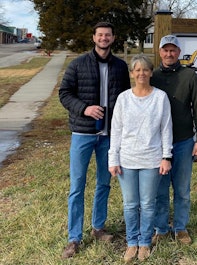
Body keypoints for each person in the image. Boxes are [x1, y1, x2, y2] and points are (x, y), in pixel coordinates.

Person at [59, 21, 131, 259]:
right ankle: (74, 238)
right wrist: (84, 109)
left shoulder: (120, 67)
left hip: (109, 135)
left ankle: (98, 227)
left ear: (113, 38)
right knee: (77, 186)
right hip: (82, 133)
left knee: (104, 183)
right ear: (94, 38)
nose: (104, 38)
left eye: (108, 35)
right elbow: (65, 94)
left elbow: (126, 99)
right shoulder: (78, 64)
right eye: (100, 35)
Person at [108, 54, 173, 262]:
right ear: (132, 74)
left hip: (152, 159)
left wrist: (166, 156)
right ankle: (131, 242)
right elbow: (116, 130)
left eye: (145, 69)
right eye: (137, 70)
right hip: (126, 159)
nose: (141, 73)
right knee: (129, 204)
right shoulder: (124, 98)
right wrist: (113, 159)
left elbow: (166, 129)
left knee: (147, 204)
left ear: (151, 72)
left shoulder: (160, 97)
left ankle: (145, 242)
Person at [150, 35, 197, 245]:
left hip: (183, 142)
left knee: (182, 190)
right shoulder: (152, 76)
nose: (169, 54)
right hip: (158, 144)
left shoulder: (190, 76)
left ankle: (180, 227)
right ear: (160, 51)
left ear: (179, 52)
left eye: (173, 50)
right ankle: (161, 228)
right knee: (160, 190)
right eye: (165, 50)